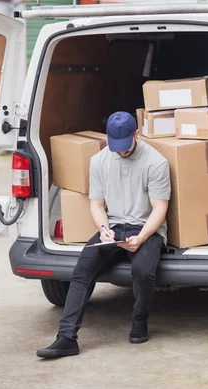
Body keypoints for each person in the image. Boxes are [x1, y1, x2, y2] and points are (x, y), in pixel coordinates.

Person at [37, 111, 171, 359]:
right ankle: (66, 338)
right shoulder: (99, 160)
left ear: (136, 134)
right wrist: (103, 230)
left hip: (146, 229)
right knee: (82, 271)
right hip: (113, 227)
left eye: (125, 145)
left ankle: (139, 322)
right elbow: (97, 204)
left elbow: (159, 208)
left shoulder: (156, 162)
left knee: (143, 272)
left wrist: (140, 238)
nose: (120, 151)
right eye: (115, 146)